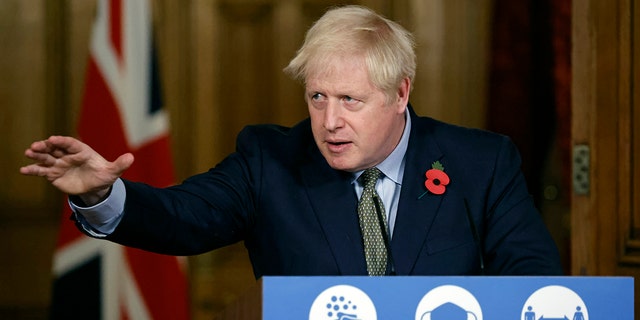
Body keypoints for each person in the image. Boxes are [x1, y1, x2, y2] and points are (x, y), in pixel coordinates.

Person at [20, 5, 563, 277]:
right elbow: (181, 216)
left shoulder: (482, 163)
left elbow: (532, 277)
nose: (329, 121)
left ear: (401, 94)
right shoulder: (269, 160)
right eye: (317, 97)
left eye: (350, 100)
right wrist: (99, 194)